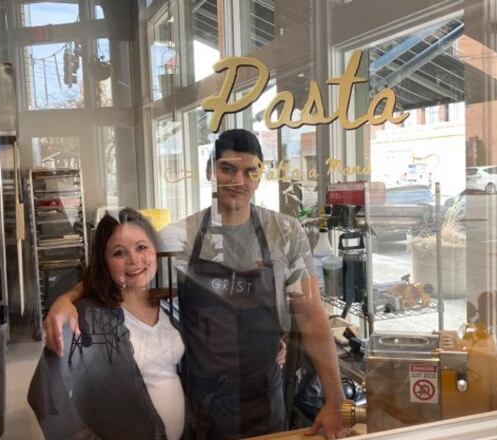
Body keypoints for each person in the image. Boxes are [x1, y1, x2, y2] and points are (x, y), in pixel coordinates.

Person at [45, 129, 347, 439]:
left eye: (249, 171)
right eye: (227, 168)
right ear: (209, 169)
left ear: (260, 174)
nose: (238, 181)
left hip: (266, 398)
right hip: (204, 404)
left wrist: (335, 402)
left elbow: (311, 314)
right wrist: (67, 299)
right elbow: (125, 270)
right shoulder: (180, 236)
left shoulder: (285, 232)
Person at [28, 208, 186, 440]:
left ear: (155, 250)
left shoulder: (169, 307)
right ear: (104, 262)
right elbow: (45, 393)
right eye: (119, 253)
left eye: (142, 247)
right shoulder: (87, 317)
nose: (134, 260)